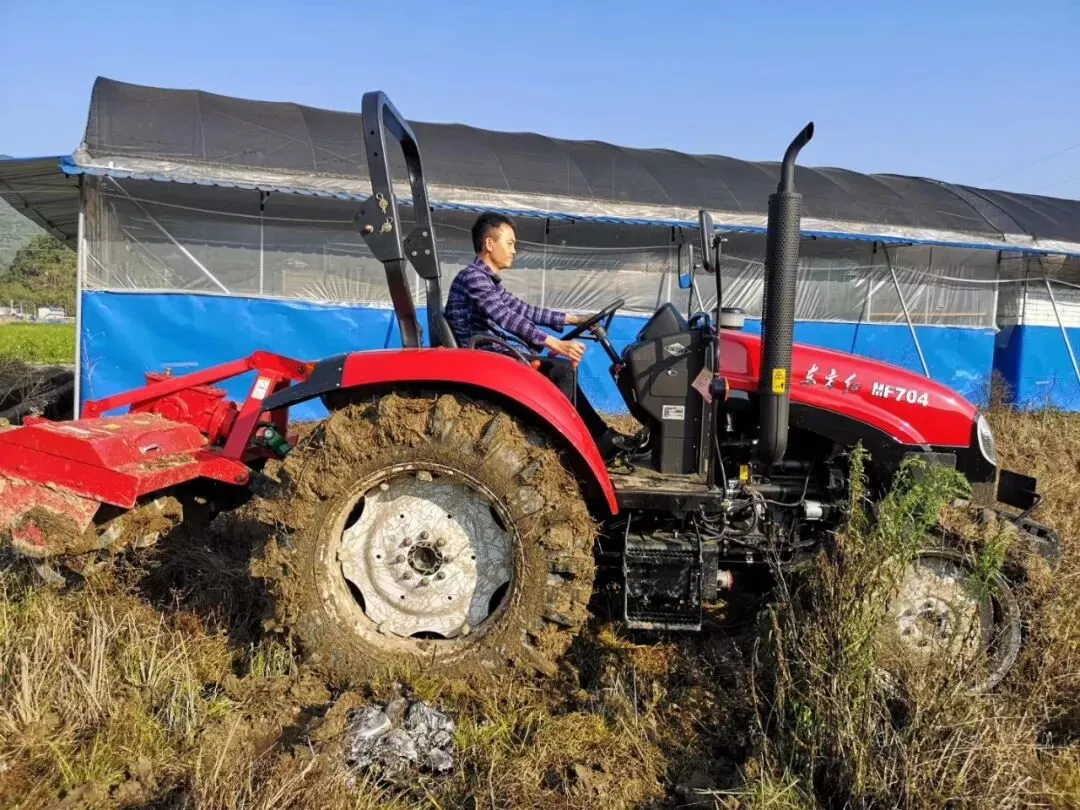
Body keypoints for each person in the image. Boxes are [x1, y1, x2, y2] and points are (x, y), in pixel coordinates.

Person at [444, 212, 629, 460]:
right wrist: (555, 343)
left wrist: (575, 319)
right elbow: (505, 317)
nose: (514, 251)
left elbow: (523, 310)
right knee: (561, 370)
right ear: (489, 244)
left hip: (489, 351)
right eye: (510, 243)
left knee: (561, 369)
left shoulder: (486, 280)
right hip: (483, 356)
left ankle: (601, 437)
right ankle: (571, 446)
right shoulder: (474, 278)